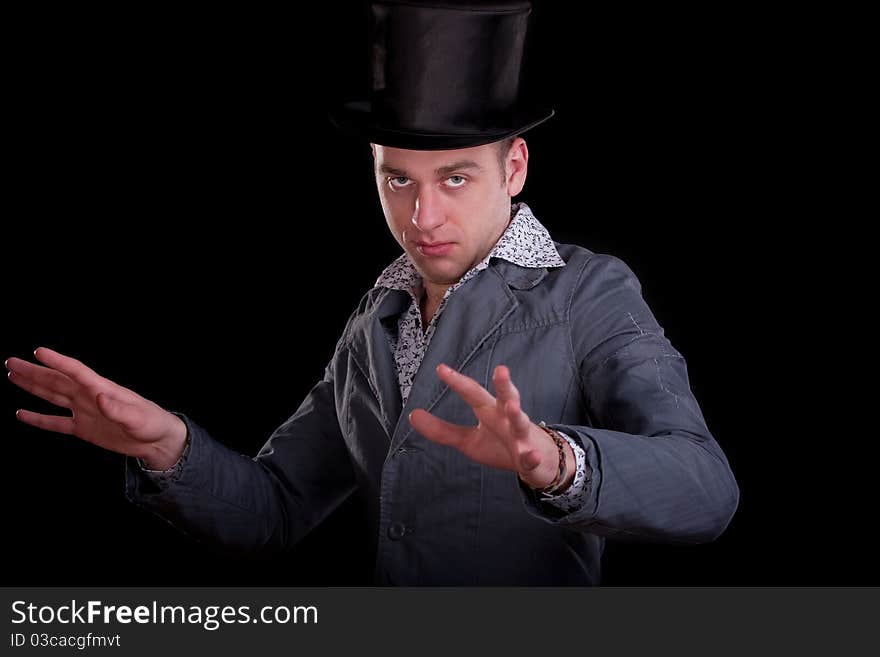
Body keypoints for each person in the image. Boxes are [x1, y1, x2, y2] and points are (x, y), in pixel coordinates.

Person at [4, 0, 739, 585]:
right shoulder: (376, 319)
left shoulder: (586, 293)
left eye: (455, 178)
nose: (422, 219)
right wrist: (169, 448)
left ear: (513, 167)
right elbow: (276, 509)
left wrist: (558, 461)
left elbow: (708, 490)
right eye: (398, 180)